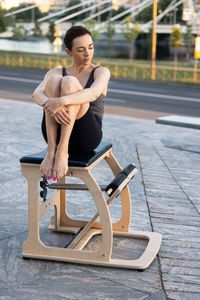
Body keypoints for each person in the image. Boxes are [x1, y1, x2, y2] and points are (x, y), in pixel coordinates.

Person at [32, 26, 110, 181]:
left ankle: (62, 151)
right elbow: (36, 94)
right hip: (55, 132)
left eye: (90, 47)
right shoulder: (57, 71)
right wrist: (51, 103)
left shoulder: (101, 72)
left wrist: (61, 101)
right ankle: (52, 150)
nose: (87, 53)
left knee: (69, 83)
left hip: (86, 135)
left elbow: (93, 93)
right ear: (69, 52)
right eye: (81, 49)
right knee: (54, 81)